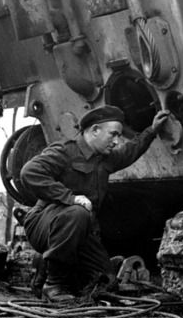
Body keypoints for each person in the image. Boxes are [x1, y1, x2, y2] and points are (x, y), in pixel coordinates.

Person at [20, 105, 169, 302]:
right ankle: (53, 285)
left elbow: (130, 151)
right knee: (77, 212)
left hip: (80, 230)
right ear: (95, 130)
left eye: (119, 136)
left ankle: (44, 266)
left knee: (105, 282)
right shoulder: (65, 151)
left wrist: (153, 130)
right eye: (113, 134)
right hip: (44, 223)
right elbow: (29, 172)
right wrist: (69, 198)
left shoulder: (105, 158)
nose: (116, 141)